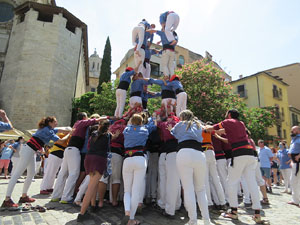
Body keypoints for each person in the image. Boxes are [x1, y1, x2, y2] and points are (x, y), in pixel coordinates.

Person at [207, 109, 264, 223]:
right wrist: (218, 134)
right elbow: (225, 134)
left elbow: (211, 128)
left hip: (239, 154)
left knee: (231, 182)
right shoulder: (241, 124)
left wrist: (204, 127)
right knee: (251, 182)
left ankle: (233, 211)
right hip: (250, 154)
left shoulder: (228, 121)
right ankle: (257, 213)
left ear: (229, 114)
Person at [2, 116, 70, 209]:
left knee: (31, 173)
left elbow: (61, 129)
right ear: (49, 123)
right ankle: (7, 199)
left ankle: (24, 196)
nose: (56, 124)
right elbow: (61, 141)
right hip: (28, 150)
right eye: (55, 122)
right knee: (17, 174)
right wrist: (71, 133)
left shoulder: (49, 129)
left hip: (31, 150)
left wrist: (69, 130)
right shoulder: (47, 130)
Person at [52, 112, 106, 204]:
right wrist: (108, 117)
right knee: (74, 174)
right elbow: (95, 120)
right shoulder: (81, 123)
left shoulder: (77, 125)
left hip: (68, 149)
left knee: (62, 173)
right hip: (74, 150)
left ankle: (56, 196)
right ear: (84, 117)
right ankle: (66, 197)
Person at [170, 110, 211, 225]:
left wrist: (170, 130)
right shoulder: (198, 125)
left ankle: (193, 220)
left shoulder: (180, 124)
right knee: (201, 188)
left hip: (184, 152)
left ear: (182, 117)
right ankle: (207, 220)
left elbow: (173, 133)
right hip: (199, 153)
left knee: (188, 188)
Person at [77, 119, 119, 221]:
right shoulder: (108, 135)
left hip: (89, 159)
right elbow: (113, 137)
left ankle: (92, 205)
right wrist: (117, 133)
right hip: (99, 160)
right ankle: (82, 214)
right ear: (108, 127)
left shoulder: (94, 133)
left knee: (93, 183)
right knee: (91, 187)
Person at [121, 114, 156, 225]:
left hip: (127, 158)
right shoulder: (145, 129)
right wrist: (154, 117)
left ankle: (127, 212)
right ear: (141, 122)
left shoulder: (126, 130)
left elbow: (128, 126)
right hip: (140, 158)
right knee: (136, 190)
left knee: (127, 190)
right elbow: (154, 126)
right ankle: (131, 218)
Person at [156, 114, 181, 217]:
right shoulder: (179, 124)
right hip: (178, 152)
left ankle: (169, 208)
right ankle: (176, 205)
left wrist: (157, 115)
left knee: (168, 181)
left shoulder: (164, 124)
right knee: (176, 181)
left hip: (170, 153)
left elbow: (156, 122)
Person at [288, 126, 300, 207]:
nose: (292, 131)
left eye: (293, 130)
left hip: (299, 161)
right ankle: (295, 200)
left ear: (298, 131)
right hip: (294, 162)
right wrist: (292, 161)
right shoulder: (293, 139)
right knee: (293, 181)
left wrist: (299, 155)